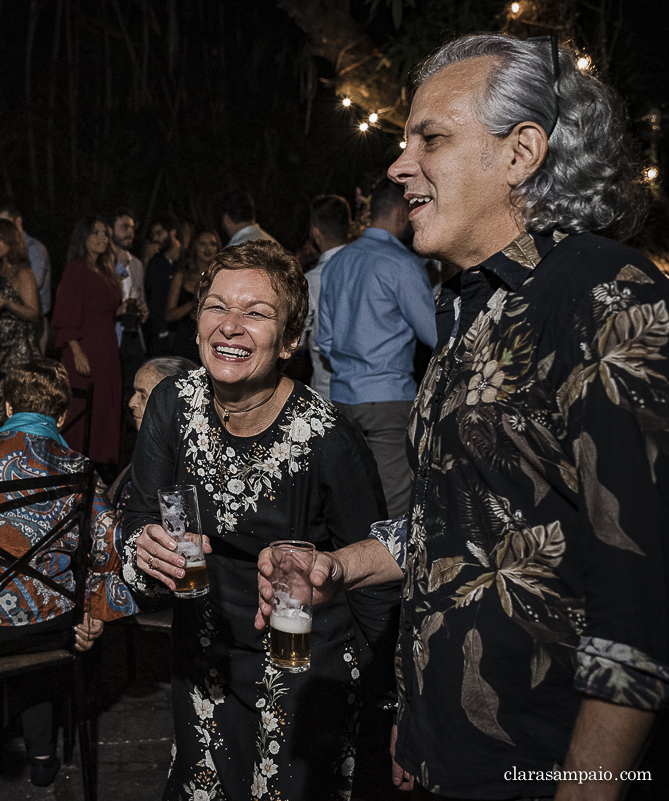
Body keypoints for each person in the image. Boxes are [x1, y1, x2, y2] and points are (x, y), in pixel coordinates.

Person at [260, 32, 669, 801]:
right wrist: (343, 567)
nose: (397, 165)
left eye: (432, 139)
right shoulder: (468, 306)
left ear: (521, 153)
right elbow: (466, 521)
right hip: (446, 753)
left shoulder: (606, 295)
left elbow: (642, 592)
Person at [123, 240, 399, 800]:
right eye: (217, 306)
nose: (230, 326)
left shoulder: (330, 440)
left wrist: (395, 705)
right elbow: (139, 517)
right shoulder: (170, 405)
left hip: (303, 673)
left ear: (291, 340)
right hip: (202, 666)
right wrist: (143, 551)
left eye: (256, 313)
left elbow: (376, 579)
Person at [0, 358, 137, 785]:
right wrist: (94, 612)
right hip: (48, 623)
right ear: (63, 414)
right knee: (44, 628)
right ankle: (42, 756)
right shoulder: (78, 468)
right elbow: (109, 547)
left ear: (8, 405)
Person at [316, 178, 437, 517]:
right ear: (403, 212)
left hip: (341, 394)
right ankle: (391, 571)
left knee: (353, 495)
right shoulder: (401, 263)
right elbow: (434, 335)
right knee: (396, 502)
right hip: (388, 396)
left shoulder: (338, 262)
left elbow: (323, 340)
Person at [52, 216, 124, 467]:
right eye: (96, 233)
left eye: (105, 233)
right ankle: (74, 465)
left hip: (107, 348)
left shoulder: (105, 270)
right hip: (84, 348)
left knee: (106, 406)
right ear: (83, 238)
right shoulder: (76, 269)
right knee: (83, 410)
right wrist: (77, 352)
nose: (103, 238)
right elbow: (65, 314)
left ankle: (100, 467)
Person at [106, 355, 197, 518]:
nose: (132, 402)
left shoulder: (181, 468)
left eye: (142, 394)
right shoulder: (149, 450)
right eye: (134, 392)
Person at [0, 218, 41, 424]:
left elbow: (34, 312)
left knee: (12, 406)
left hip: (18, 352)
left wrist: (7, 303)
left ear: (11, 241)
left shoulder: (23, 272)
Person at [301, 195, 351, 399]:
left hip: (327, 394)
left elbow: (296, 340)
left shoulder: (311, 280)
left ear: (315, 232)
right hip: (373, 396)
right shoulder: (370, 269)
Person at [0, 204, 52, 348]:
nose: (0, 229)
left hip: (33, 323)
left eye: (5, 223)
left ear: (18, 222)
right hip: (10, 321)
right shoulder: (3, 250)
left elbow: (35, 283)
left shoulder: (34, 248)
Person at [109, 210, 149, 401]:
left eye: (132, 228)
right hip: (112, 335)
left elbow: (140, 299)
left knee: (133, 393)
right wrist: (117, 267)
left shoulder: (137, 264)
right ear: (110, 230)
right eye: (124, 227)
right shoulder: (103, 263)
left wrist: (143, 311)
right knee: (113, 392)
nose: (130, 233)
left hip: (133, 335)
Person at [165, 228, 220, 361]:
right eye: (202, 244)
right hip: (184, 341)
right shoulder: (181, 276)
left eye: (212, 244)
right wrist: (192, 304)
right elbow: (169, 316)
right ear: (194, 246)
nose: (208, 248)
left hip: (212, 342)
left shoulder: (222, 276)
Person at [144, 215, 184, 357]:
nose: (156, 238)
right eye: (153, 234)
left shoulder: (187, 260)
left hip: (182, 334)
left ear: (172, 232)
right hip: (159, 335)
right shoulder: (156, 262)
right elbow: (149, 294)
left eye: (159, 233)